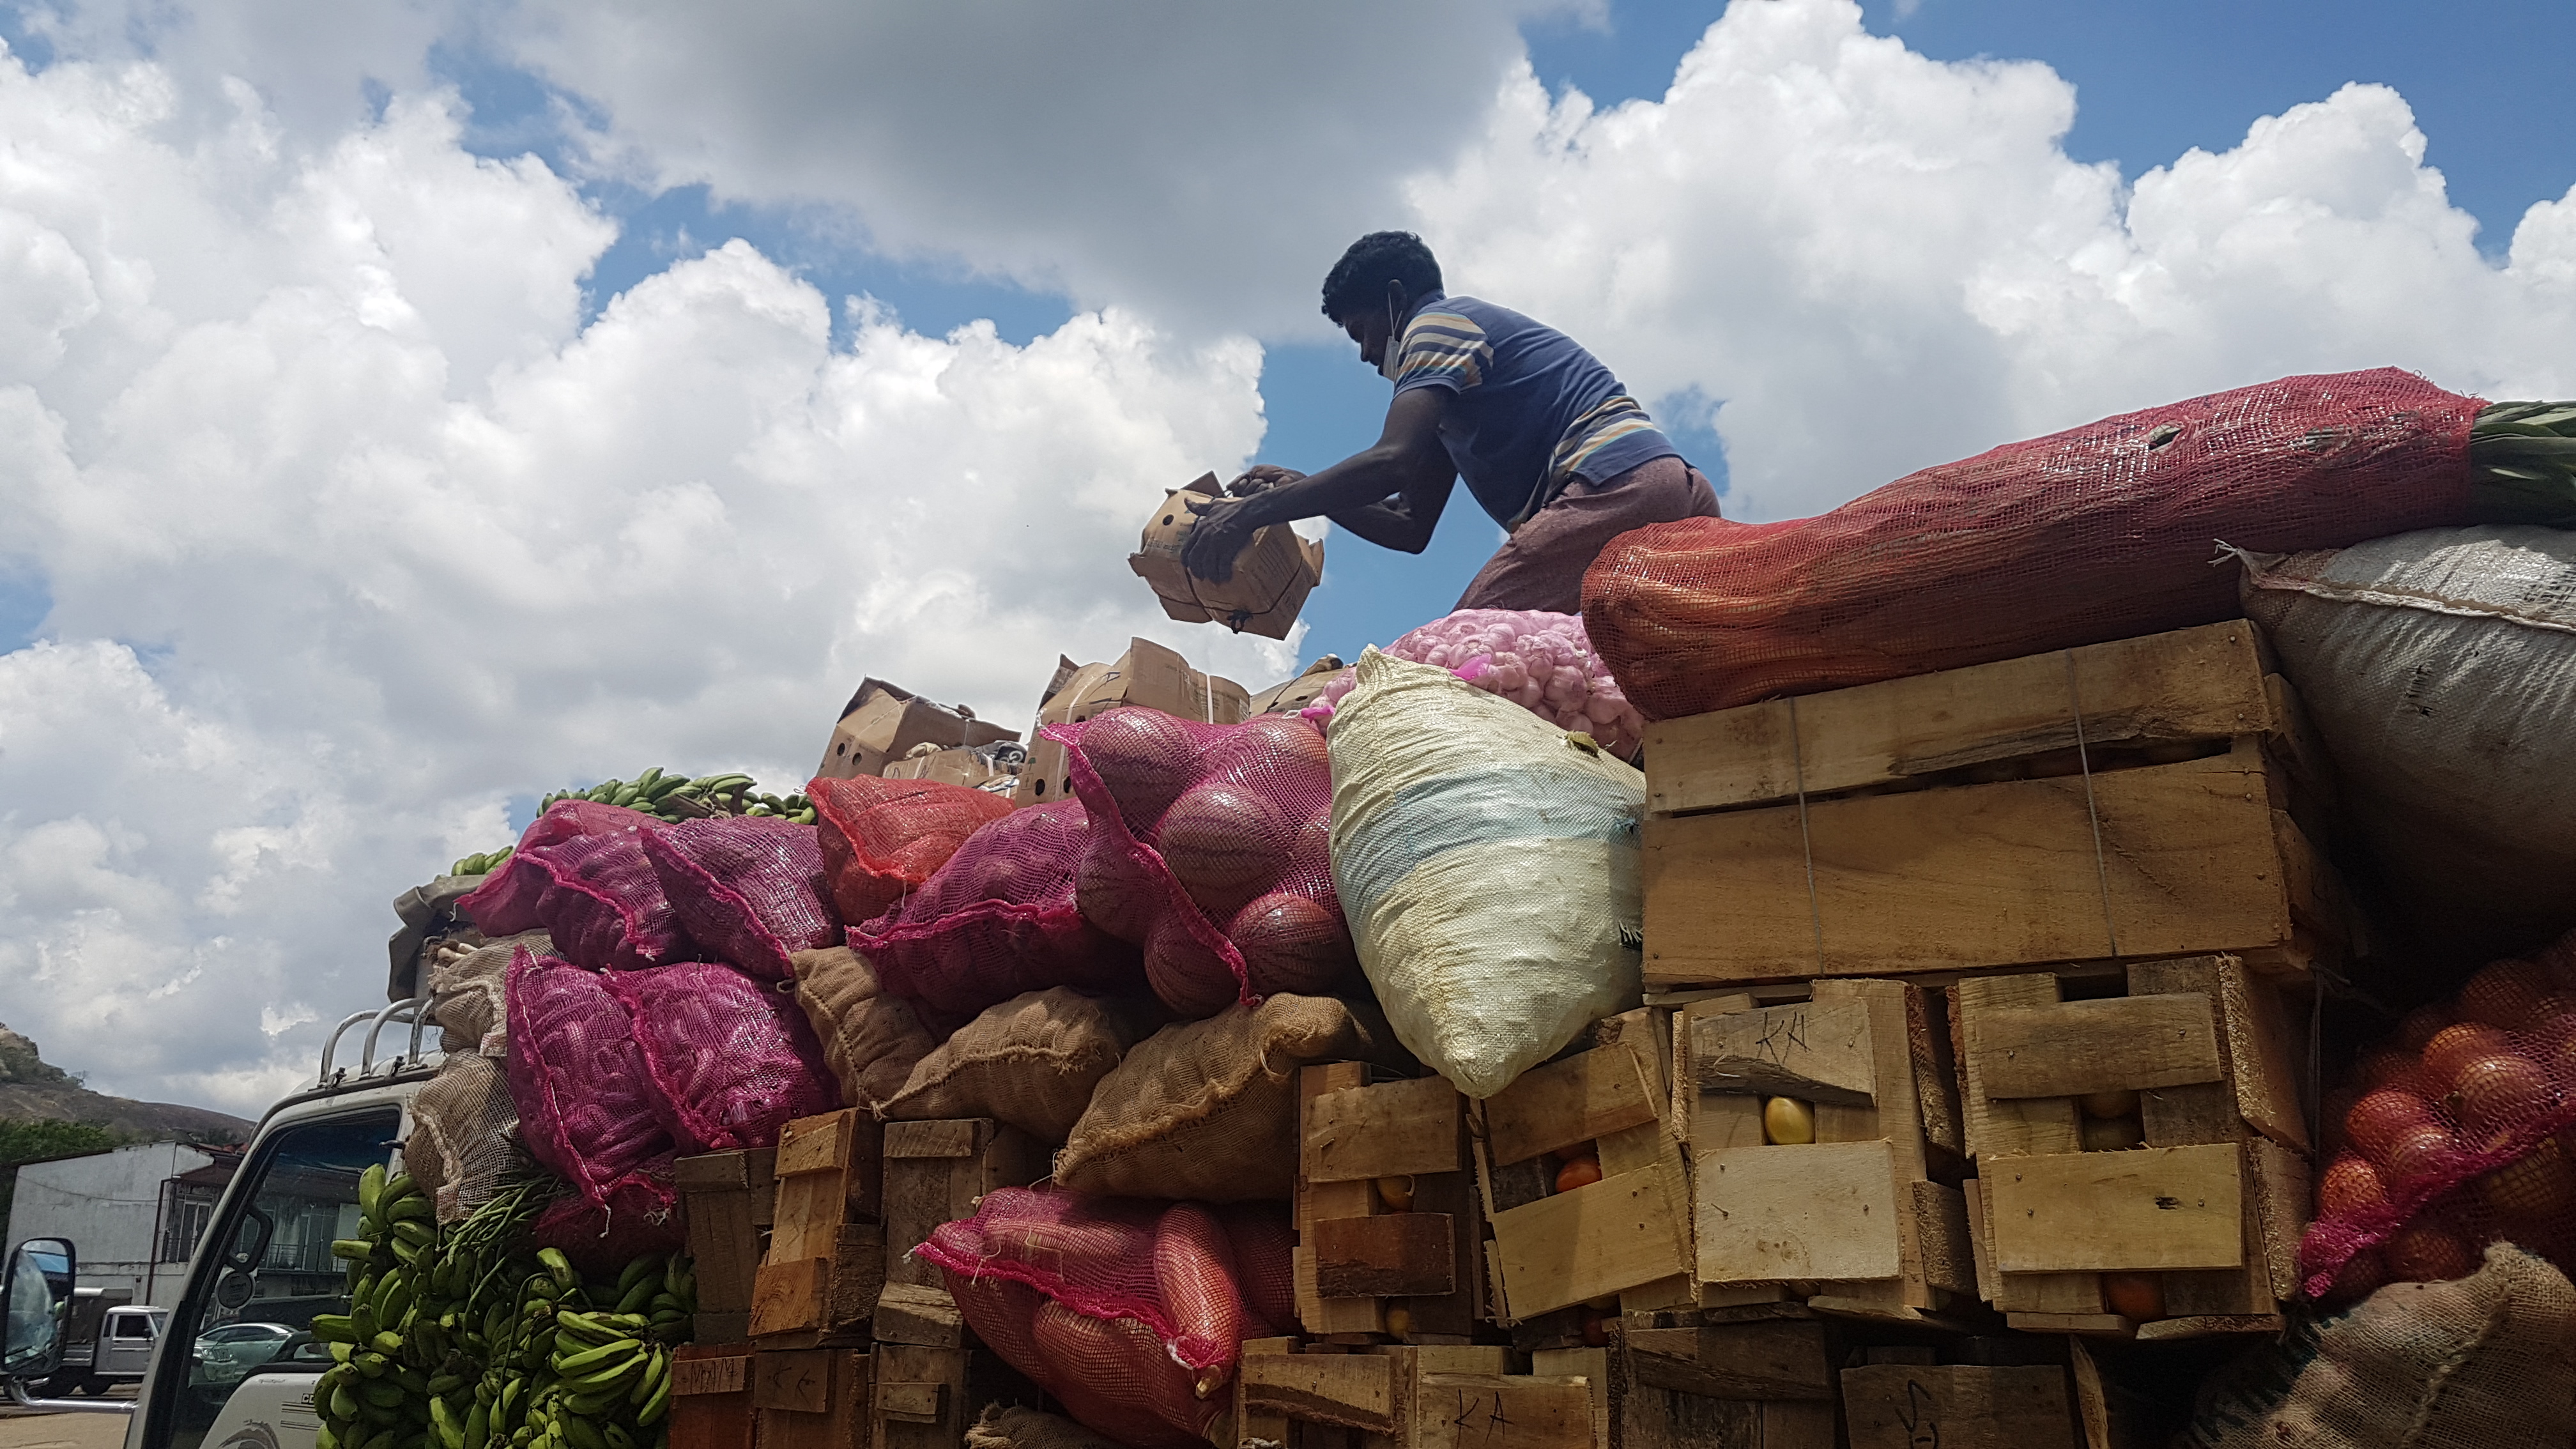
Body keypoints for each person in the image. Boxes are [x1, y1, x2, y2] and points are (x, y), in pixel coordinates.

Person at [1179, 231, 1720, 615]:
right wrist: (1300, 489)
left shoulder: (1435, 328)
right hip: (1670, 489)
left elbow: (1390, 462)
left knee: (1460, 655)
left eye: (1362, 331)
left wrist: (1249, 514)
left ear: (1396, 299)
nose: (1368, 354)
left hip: (1614, 487)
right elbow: (1410, 526)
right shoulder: (1449, 399)